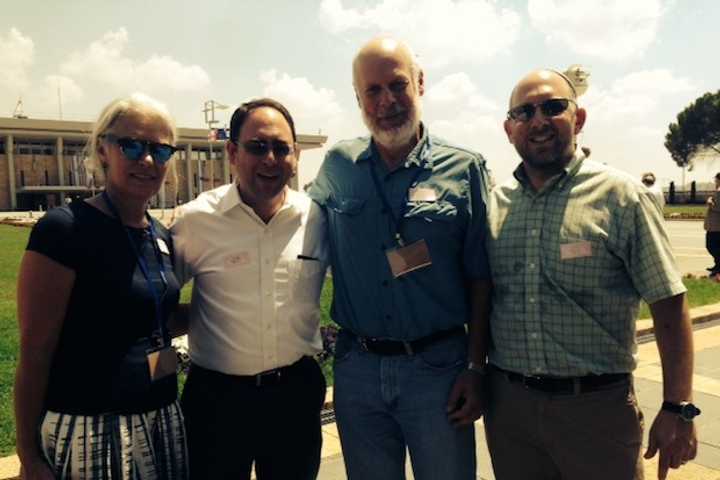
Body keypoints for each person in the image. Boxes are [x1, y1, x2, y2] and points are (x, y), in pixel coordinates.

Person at [484, 69, 699, 480]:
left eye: (553, 107)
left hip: (596, 411)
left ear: (578, 119)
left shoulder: (622, 197)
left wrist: (678, 407)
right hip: (511, 411)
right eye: (524, 112)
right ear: (509, 129)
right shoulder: (494, 206)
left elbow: (669, 304)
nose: (539, 120)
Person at [309, 37, 491, 480]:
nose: (387, 101)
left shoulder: (464, 168)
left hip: (438, 371)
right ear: (358, 98)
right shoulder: (338, 165)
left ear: (420, 84)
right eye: (373, 91)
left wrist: (475, 366)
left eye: (397, 85)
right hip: (358, 370)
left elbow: (482, 277)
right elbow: (295, 227)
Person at [14, 94, 188, 479]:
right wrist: (28, 456)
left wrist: (241, 302)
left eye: (160, 150)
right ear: (103, 150)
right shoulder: (64, 230)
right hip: (91, 428)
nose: (147, 160)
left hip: (161, 418)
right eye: (132, 145)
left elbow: (153, 317)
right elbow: (35, 352)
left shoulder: (159, 235)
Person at [171, 98, 328, 479]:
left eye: (281, 148)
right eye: (257, 147)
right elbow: (156, 300)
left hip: (295, 394)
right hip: (217, 400)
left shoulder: (318, 218)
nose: (270, 159)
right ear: (232, 152)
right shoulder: (195, 221)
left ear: (296, 157)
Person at [704, 172, 720, 276]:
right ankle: (717, 265)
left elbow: (718, 207)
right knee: (715, 246)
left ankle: (718, 267)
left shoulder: (719, 191)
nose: (715, 181)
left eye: (716, 179)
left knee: (711, 246)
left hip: (716, 226)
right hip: (714, 225)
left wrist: (710, 203)